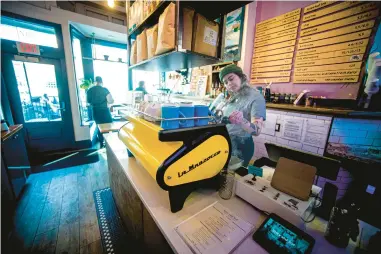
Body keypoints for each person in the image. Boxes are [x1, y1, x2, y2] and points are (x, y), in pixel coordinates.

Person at [209, 64, 266, 167]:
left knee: (233, 179)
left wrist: (241, 121)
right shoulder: (228, 97)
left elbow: (257, 130)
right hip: (224, 143)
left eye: (231, 79)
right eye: (225, 82)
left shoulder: (256, 97)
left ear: (241, 76)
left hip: (241, 146)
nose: (229, 84)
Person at [86, 76, 114, 144]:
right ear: (101, 82)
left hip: (95, 111)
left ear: (94, 82)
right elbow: (111, 101)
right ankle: (108, 142)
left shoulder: (89, 90)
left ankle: (101, 142)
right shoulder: (105, 90)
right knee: (108, 126)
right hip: (104, 111)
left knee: (99, 126)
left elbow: (88, 101)